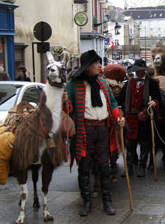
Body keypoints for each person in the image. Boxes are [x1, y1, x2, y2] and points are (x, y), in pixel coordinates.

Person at [66, 50, 125, 216]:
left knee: (104, 167)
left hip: (103, 130)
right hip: (84, 130)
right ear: (87, 67)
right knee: (84, 168)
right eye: (96, 63)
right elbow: (68, 108)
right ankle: (86, 203)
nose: (100, 66)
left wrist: (119, 117)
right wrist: (65, 102)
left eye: (100, 63)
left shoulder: (103, 83)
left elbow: (112, 103)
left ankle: (107, 202)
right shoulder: (73, 84)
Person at [116, 59, 161, 177]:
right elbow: (121, 98)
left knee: (144, 143)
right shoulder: (128, 84)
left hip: (144, 117)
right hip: (130, 117)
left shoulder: (152, 84)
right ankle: (130, 168)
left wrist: (154, 102)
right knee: (130, 143)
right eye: (137, 70)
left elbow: (157, 98)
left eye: (141, 70)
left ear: (145, 71)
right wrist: (112, 103)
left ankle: (142, 167)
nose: (139, 72)